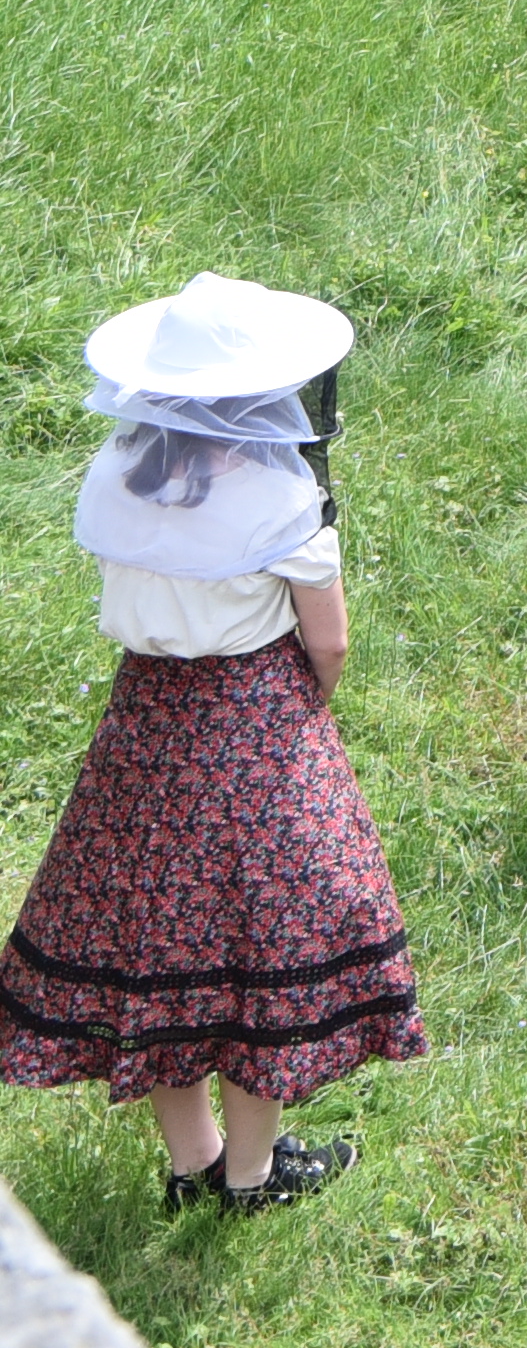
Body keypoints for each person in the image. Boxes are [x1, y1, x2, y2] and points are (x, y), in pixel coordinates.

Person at [0, 276, 417, 1216]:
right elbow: (331, 640)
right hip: (257, 719)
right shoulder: (282, 490)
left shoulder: (118, 475)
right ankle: (250, 1176)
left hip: (143, 725)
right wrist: (306, 719)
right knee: (266, 948)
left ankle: (192, 1165)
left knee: (153, 943)